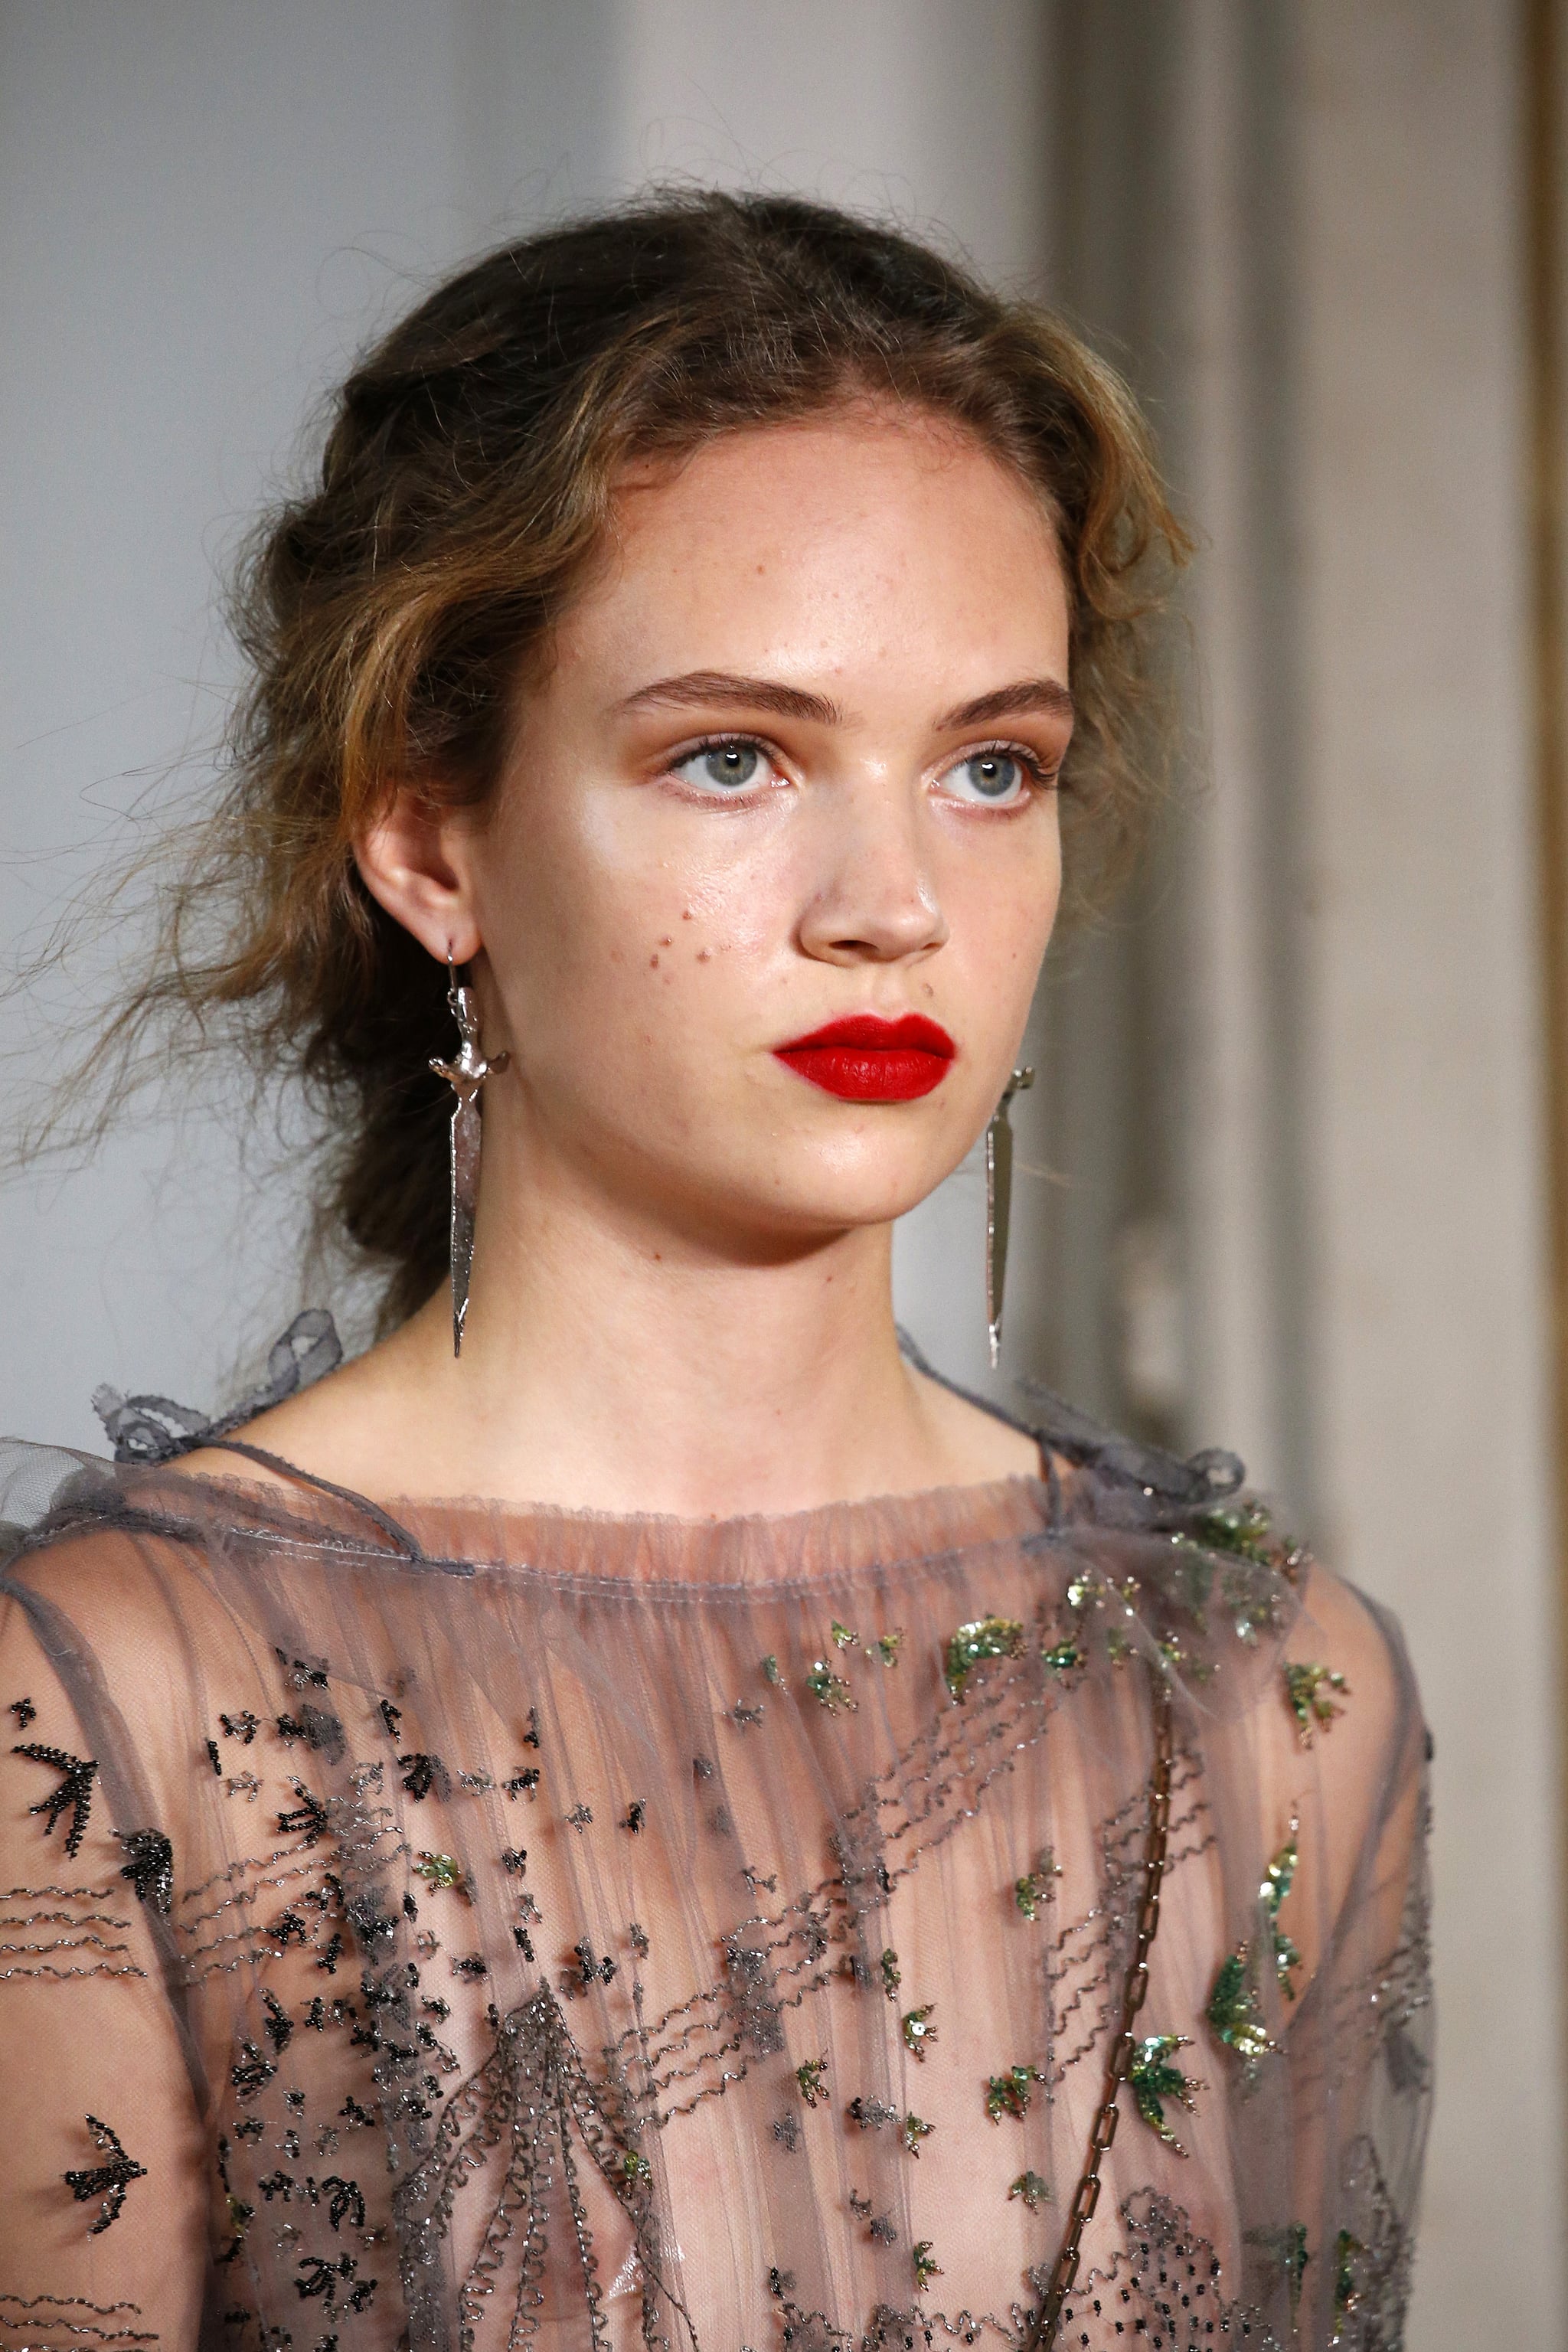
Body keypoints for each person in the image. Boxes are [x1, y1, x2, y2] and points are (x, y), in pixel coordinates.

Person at [0, 192, 1429, 2352]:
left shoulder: (1261, 1701)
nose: (891, 903)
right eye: (734, 757)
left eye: (989, 768)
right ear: (431, 840)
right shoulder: (125, 1720)